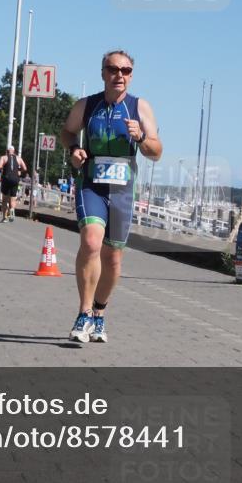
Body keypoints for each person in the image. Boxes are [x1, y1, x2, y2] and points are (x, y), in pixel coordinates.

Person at [60, 50, 162, 343]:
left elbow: (156, 152)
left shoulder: (140, 108)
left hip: (122, 190)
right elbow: (68, 132)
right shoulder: (86, 105)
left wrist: (141, 137)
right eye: (113, 69)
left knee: (113, 257)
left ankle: (100, 313)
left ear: (131, 75)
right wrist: (73, 150)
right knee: (91, 242)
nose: (120, 75)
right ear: (103, 73)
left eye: (126, 70)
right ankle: (83, 313)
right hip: (91, 184)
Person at [0, 145, 27, 223]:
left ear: (7, 151)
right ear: (14, 151)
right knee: (13, 198)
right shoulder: (19, 158)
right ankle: (12, 211)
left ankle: (4, 217)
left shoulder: (4, 157)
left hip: (6, 179)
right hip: (15, 179)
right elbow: (25, 168)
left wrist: (3, 168)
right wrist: (19, 171)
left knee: (5, 199)